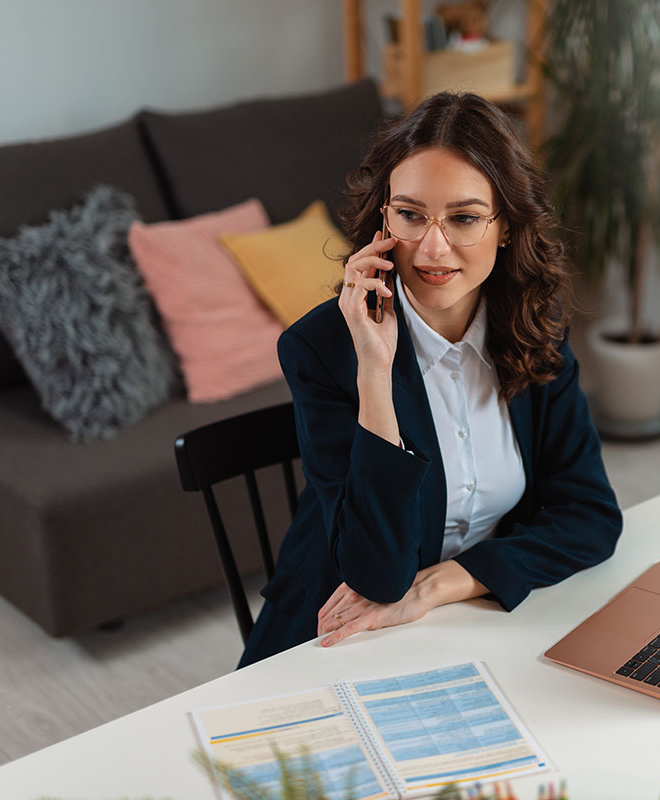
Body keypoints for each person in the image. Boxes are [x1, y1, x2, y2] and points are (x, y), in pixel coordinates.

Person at [238, 92, 622, 667]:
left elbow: (590, 517)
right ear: (384, 220)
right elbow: (378, 575)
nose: (432, 248)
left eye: (464, 218)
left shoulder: (536, 330)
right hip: (335, 632)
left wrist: (445, 583)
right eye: (411, 214)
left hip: (465, 621)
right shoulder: (321, 350)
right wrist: (375, 370)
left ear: (507, 228)